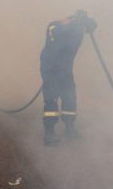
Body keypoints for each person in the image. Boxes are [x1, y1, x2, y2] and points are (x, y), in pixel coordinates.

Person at [40, 9, 97, 146]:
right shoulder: (55, 26)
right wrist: (72, 22)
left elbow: (93, 26)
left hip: (65, 69)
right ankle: (49, 133)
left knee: (70, 96)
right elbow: (56, 32)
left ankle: (69, 128)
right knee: (51, 98)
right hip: (50, 68)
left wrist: (87, 22)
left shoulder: (78, 29)